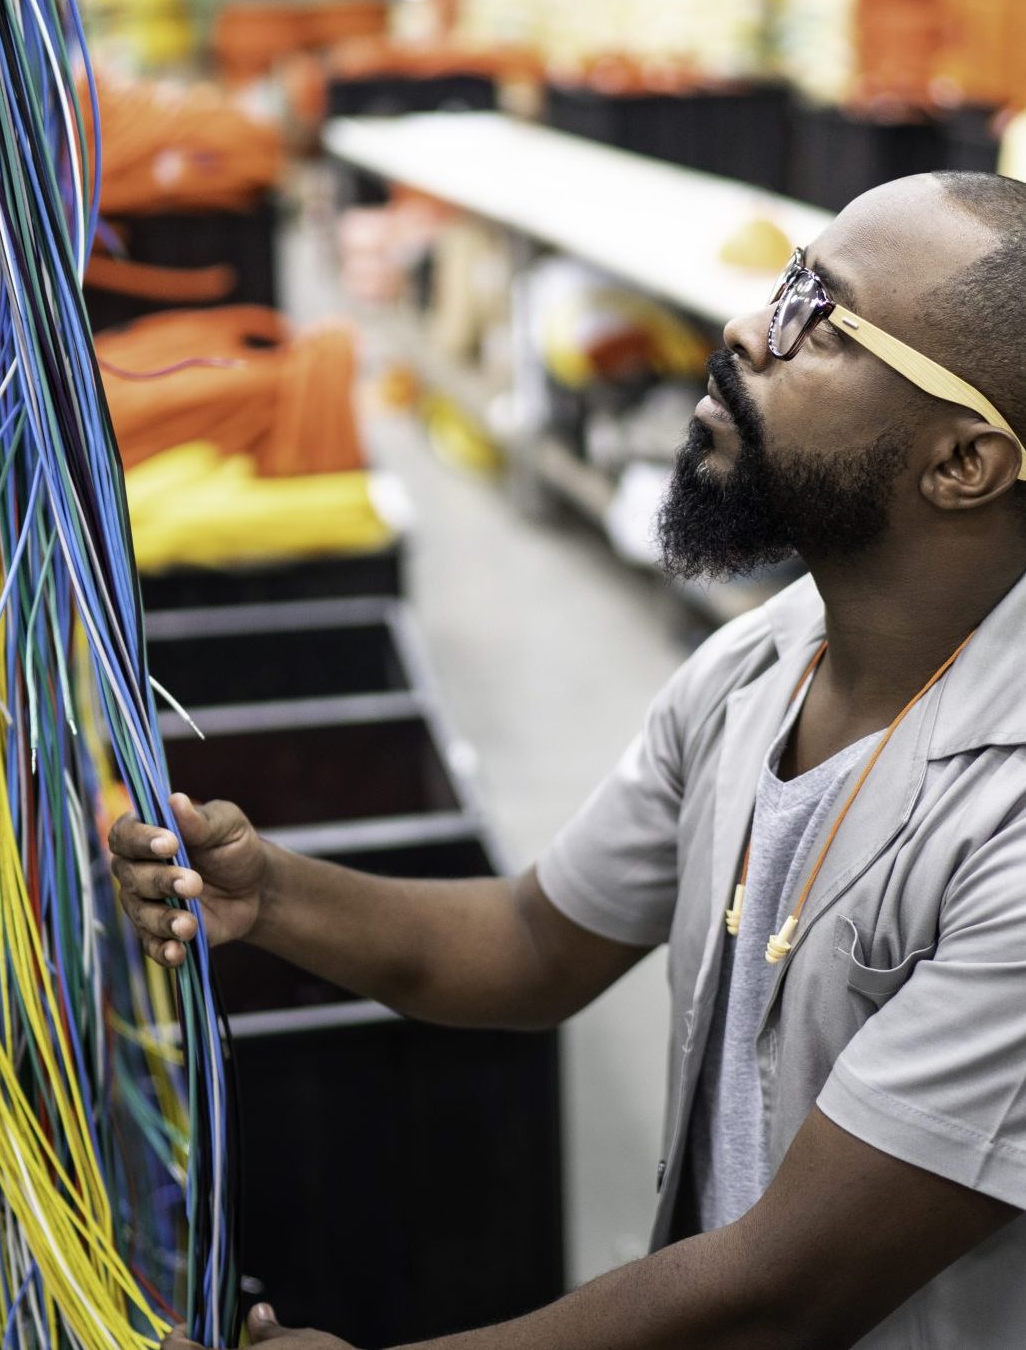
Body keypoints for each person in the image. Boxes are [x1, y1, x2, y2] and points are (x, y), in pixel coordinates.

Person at [112, 171, 1026, 1349]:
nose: (749, 328)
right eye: (784, 281)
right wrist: (273, 895)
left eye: (821, 318)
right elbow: (536, 943)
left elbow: (783, 1290)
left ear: (962, 464)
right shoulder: (763, 663)